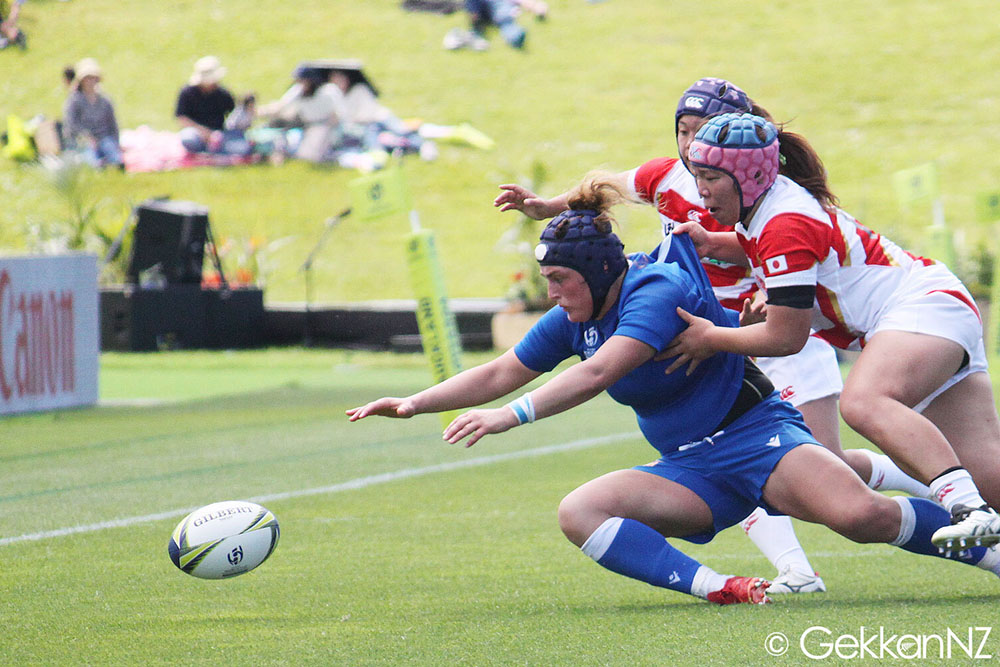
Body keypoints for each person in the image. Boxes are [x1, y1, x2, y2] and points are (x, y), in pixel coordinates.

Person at [349, 182, 1000, 605]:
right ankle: (724, 588)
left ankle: (990, 550)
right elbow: (500, 370)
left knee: (864, 518)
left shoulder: (653, 292)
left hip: (758, 436)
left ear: (595, 270)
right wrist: (414, 400)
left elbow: (599, 373)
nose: (550, 292)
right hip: (690, 467)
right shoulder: (577, 312)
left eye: (556, 279)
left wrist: (507, 418)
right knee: (579, 511)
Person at [492, 77, 928, 593]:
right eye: (683, 130)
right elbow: (604, 188)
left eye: (703, 131)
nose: (691, 144)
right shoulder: (665, 178)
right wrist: (545, 207)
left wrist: (759, 290)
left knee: (824, 473)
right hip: (714, 336)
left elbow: (787, 261)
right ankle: (796, 570)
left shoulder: (768, 195)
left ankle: (943, 493)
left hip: (775, 332)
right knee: (757, 461)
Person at [667, 112, 1000, 552]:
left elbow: (786, 338)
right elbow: (769, 249)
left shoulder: (783, 221)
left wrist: (710, 338)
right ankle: (978, 501)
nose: (699, 188)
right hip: (931, 308)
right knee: (990, 478)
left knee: (864, 401)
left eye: (709, 176)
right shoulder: (767, 206)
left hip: (920, 309)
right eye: (696, 174)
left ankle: (967, 509)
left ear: (746, 177)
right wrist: (714, 243)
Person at [258, 66, 346, 163]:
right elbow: (281, 106)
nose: (301, 84)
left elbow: (340, 112)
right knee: (300, 153)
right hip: (308, 126)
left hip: (328, 127)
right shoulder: (298, 90)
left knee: (311, 156)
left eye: (304, 81)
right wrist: (259, 111)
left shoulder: (328, 91)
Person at [174, 55, 249, 155]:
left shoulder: (222, 94)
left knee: (241, 146)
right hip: (197, 133)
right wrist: (204, 133)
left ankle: (216, 150)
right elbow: (182, 118)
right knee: (188, 138)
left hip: (219, 134)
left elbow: (234, 114)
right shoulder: (187, 93)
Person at [61, 58, 123, 169]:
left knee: (114, 156)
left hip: (104, 137)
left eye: (93, 78)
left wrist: (116, 142)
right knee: (91, 161)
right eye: (87, 78)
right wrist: (86, 136)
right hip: (83, 140)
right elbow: (70, 125)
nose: (90, 81)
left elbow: (113, 124)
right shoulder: (74, 101)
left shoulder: (105, 101)